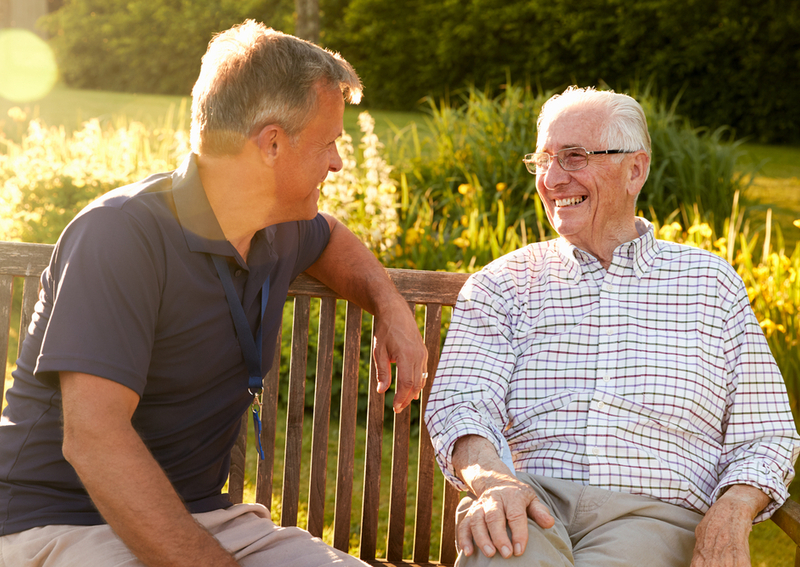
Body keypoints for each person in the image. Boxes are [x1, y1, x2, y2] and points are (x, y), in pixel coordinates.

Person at [0, 21, 428, 567]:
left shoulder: (278, 223)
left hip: (208, 519)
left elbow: (333, 237)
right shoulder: (119, 234)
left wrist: (391, 308)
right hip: (60, 521)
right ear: (272, 143)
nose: (338, 163)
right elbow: (94, 442)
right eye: (329, 143)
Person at [425, 86, 800, 567]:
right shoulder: (502, 284)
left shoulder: (709, 284)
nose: (553, 178)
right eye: (544, 160)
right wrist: (493, 480)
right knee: (502, 556)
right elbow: (462, 404)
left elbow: (765, 432)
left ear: (635, 169)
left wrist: (732, 509)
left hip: (655, 515)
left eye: (574, 158)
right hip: (529, 501)